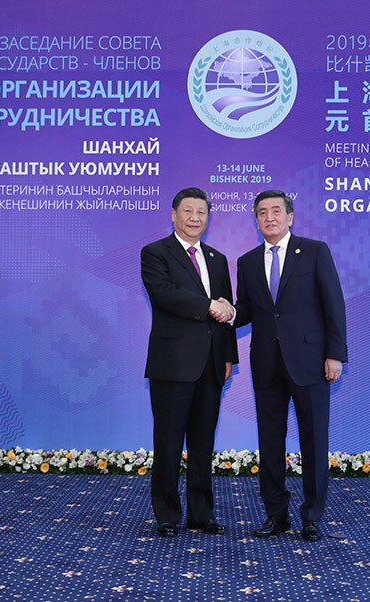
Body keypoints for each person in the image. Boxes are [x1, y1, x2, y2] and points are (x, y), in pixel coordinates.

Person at [233, 190, 347, 542]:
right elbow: (248, 309)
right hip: (266, 363)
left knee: (314, 439)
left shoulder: (314, 251)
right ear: (256, 220)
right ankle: (276, 515)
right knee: (270, 440)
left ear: (290, 216)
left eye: (276, 211)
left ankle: (311, 516)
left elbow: (333, 304)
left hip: (310, 362)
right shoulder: (247, 262)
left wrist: (335, 353)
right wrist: (228, 311)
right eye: (262, 212)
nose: (269, 217)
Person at [141, 187, 238, 537]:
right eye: (188, 211)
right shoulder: (155, 252)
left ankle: (201, 514)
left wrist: (228, 355)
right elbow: (164, 295)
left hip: (211, 365)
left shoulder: (217, 258)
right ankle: (167, 515)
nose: (195, 218)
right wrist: (208, 305)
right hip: (172, 364)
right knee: (168, 442)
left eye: (201, 212)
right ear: (173, 214)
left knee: (202, 443)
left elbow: (226, 310)